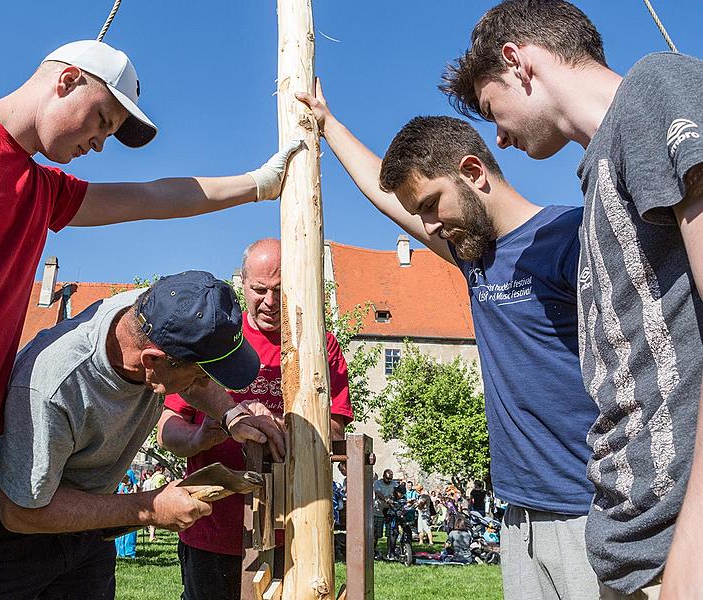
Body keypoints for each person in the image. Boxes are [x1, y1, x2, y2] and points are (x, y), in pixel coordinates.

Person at [0, 38, 301, 597]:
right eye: (101, 119)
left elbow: (155, 195)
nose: (100, 142)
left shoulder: (42, 191)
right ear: (66, 79)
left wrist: (256, 186)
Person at [441, 1, 703, 597]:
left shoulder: (658, 87)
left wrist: (692, 551)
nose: (499, 138)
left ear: (518, 63)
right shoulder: (597, 179)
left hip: (676, 558)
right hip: (627, 549)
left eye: (491, 109)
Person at [296, 85, 600, 599]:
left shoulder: (572, 237)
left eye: (433, 205)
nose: (429, 225)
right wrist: (329, 124)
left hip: (588, 508)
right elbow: (382, 192)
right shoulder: (474, 255)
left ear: (474, 172)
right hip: (518, 514)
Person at [0, 270, 286, 599]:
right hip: (13, 532)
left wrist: (231, 415)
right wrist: (150, 507)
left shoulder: (153, 315)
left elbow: (194, 378)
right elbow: (21, 511)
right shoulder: (53, 388)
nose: (204, 385)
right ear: (153, 362)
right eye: (200, 375)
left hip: (88, 520)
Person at [157, 238, 353, 600]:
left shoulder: (319, 344)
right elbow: (167, 430)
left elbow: (336, 425)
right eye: (259, 289)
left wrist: (283, 425)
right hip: (211, 527)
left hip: (293, 531)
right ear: (242, 284)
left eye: (280, 290)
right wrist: (201, 437)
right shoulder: (213, 338)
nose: (270, 302)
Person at [372, 469, 397, 560]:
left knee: (391, 533)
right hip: (378, 511)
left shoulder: (394, 484)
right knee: (376, 534)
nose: (389, 480)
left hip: (390, 512)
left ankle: (391, 553)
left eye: (391, 478)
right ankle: (373, 551)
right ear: (383, 476)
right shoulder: (377, 483)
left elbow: (397, 492)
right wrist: (385, 499)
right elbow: (378, 493)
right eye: (387, 478)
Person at [115, 471, 139, 559]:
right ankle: (119, 551)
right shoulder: (115, 472)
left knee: (130, 529)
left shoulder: (129, 472)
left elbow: (134, 486)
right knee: (119, 528)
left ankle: (129, 552)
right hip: (118, 503)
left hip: (128, 503)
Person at [142, 465, 169, 541]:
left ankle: (152, 535)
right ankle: (152, 536)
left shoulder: (152, 477)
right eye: (164, 469)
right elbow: (162, 488)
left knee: (152, 518)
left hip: (150, 499)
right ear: (161, 469)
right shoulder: (160, 477)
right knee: (154, 519)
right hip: (157, 499)